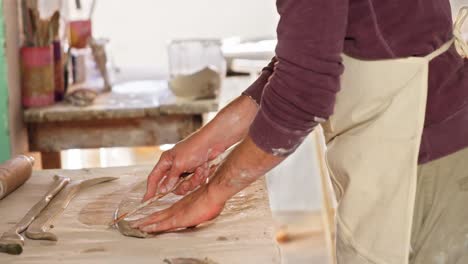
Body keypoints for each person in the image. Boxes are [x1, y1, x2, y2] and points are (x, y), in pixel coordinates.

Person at [131, 1, 468, 263]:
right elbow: (310, 55)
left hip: (419, 162)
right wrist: (208, 141)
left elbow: (303, 93)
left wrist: (210, 195)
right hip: (413, 144)